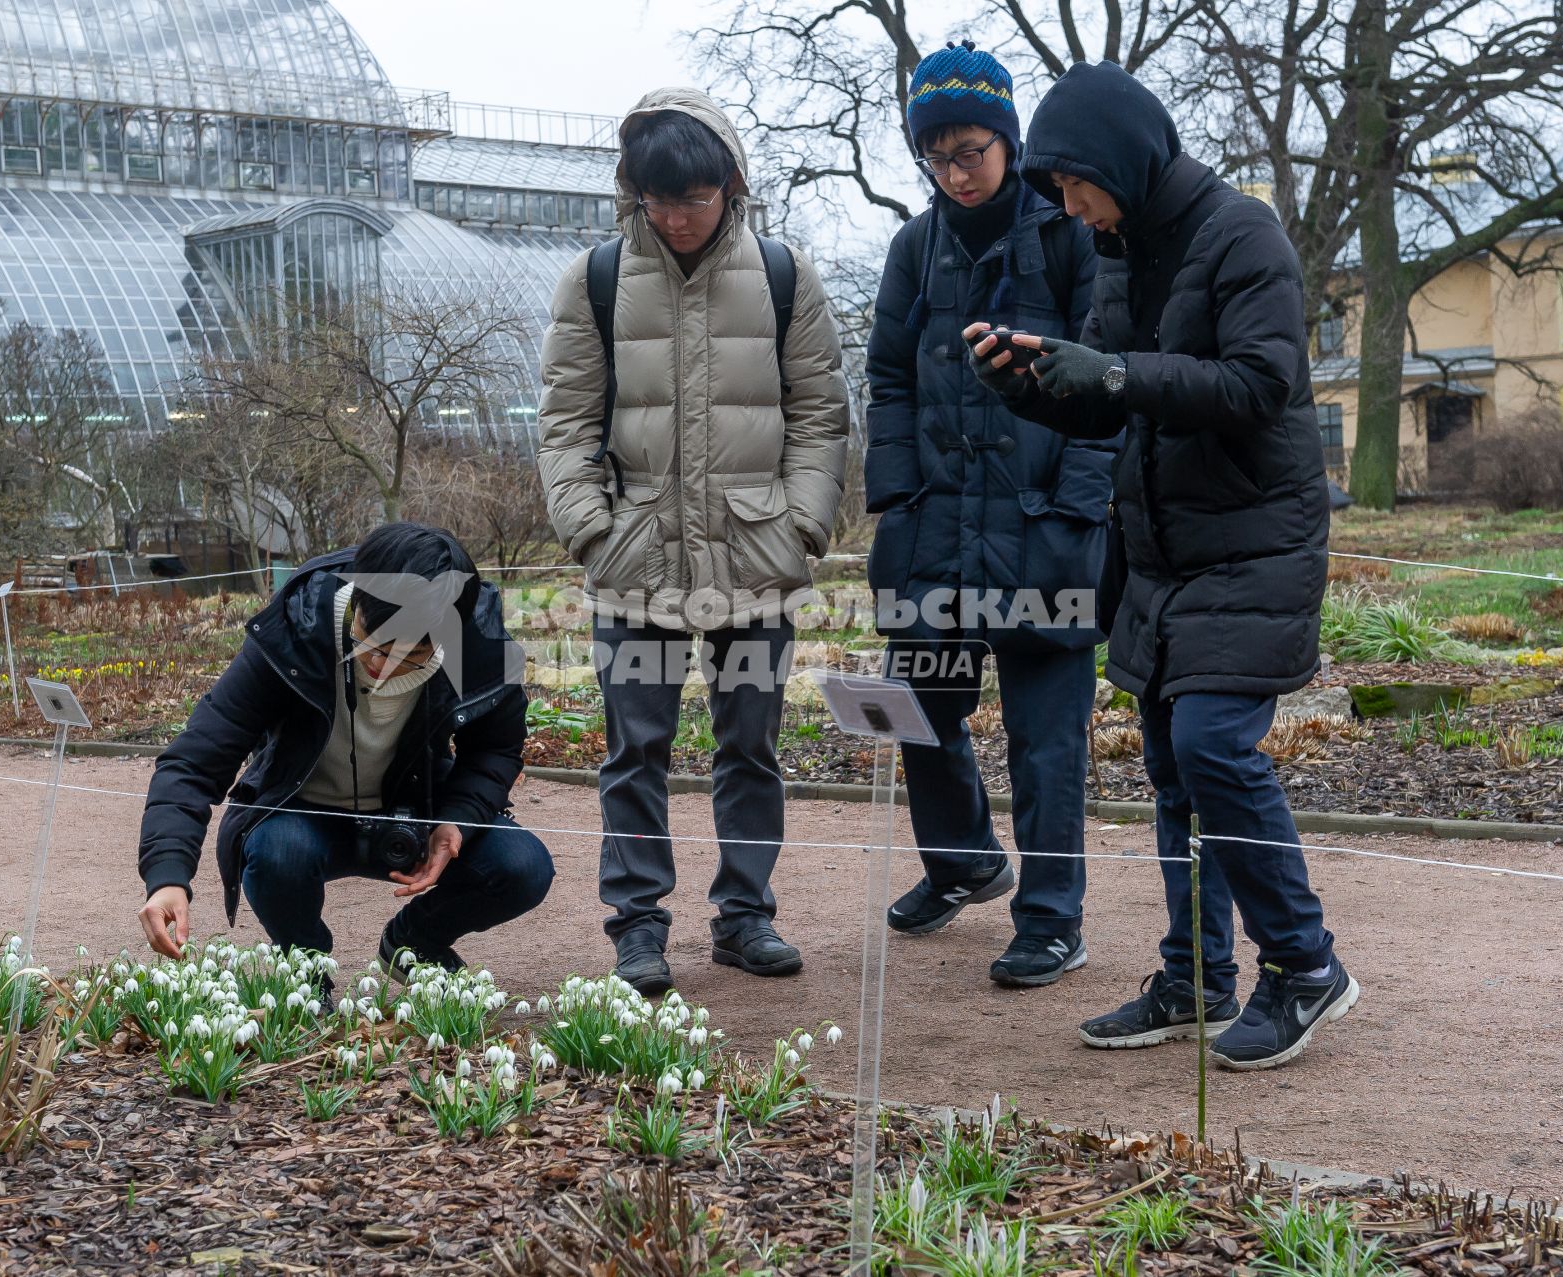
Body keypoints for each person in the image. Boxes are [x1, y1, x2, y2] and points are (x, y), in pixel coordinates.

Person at [969, 61, 1358, 1069]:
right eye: (1055, 190)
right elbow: (1109, 393)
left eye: (1072, 184)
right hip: (1159, 550)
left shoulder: (1246, 234)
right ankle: (1194, 975)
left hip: (1255, 538)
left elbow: (1263, 382)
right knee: (1176, 768)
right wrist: (1031, 381)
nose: (1067, 205)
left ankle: (1306, 966)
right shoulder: (1120, 250)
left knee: (1216, 745)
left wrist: (1117, 369)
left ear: (1122, 161)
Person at [536, 88, 850, 996]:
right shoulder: (594, 279)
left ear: (733, 185)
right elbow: (563, 424)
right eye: (657, 200)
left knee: (750, 745)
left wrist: (800, 528)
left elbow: (823, 417)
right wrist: (592, 530)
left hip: (758, 563)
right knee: (635, 750)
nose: (675, 218)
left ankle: (744, 917)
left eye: (694, 198)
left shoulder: (787, 276)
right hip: (634, 563)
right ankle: (639, 928)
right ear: (632, 192)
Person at [864, 40, 1113, 988]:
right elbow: (887, 379)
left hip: (1044, 528)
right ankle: (964, 861)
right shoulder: (911, 248)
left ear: (1007, 141)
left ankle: (1051, 919)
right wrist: (895, 498)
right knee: (918, 707)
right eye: (937, 156)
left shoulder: (1070, 237)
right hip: (933, 530)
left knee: (1047, 740)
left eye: (971, 150)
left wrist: (1078, 505)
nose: (956, 172)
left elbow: (1109, 379)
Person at [135, 523, 552, 975]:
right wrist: (167, 876)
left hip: (414, 813)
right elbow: (195, 758)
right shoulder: (297, 627)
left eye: (408, 656)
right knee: (278, 853)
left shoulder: (482, 647)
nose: (378, 665)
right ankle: (308, 969)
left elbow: (496, 750)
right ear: (357, 595)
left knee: (521, 866)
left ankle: (414, 942)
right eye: (369, 641)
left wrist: (456, 820)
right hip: (301, 816)